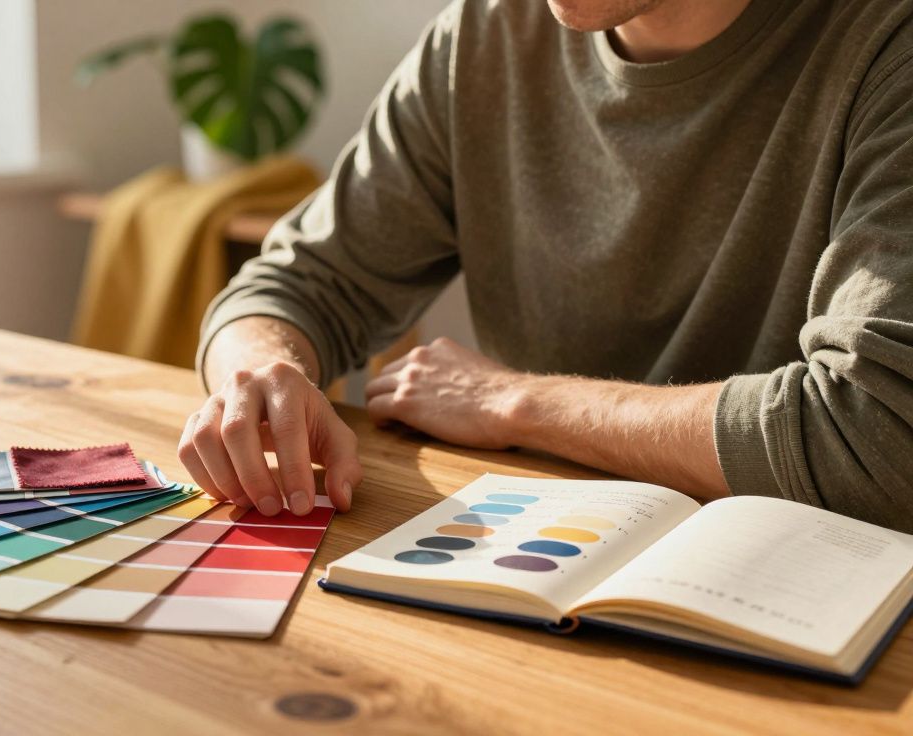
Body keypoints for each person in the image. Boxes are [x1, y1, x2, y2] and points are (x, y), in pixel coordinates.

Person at [177, 0, 913, 532]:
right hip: (536, 557)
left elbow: (880, 438)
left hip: (797, 593)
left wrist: (517, 403)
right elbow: (297, 283)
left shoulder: (887, 45)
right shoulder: (485, 35)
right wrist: (262, 376)